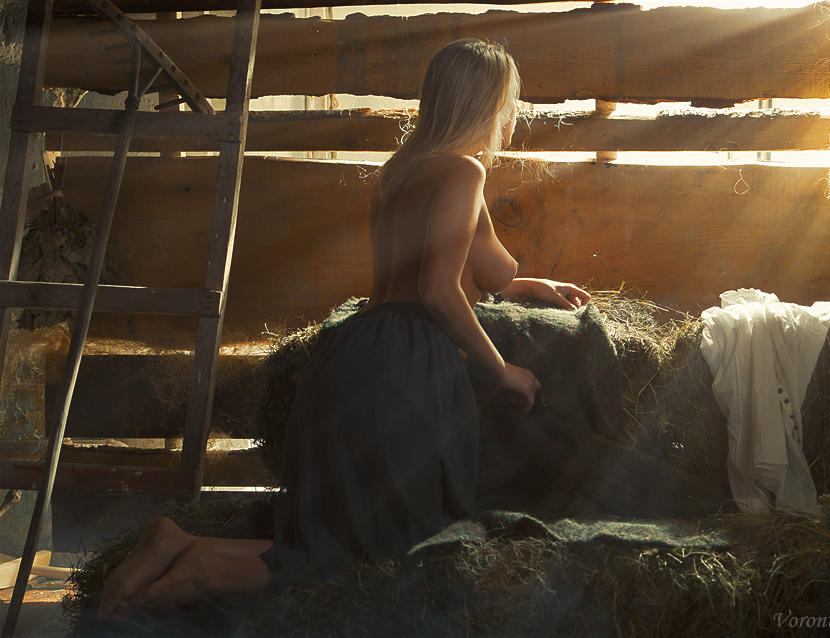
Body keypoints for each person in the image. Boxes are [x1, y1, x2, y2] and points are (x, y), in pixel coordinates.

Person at [98, 37, 590, 620]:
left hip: (357, 350)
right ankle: (200, 568)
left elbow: (476, 270)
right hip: (403, 366)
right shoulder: (462, 172)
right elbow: (437, 291)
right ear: (489, 105)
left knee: (341, 532)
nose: (513, 117)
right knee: (380, 547)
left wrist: (532, 286)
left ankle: (174, 543)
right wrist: (501, 369)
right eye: (509, 103)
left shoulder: (407, 169)